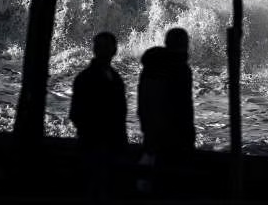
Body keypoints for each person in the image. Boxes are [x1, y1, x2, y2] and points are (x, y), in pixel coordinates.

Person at [69, 31, 128, 199]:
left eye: (106, 47)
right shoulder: (89, 78)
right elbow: (76, 114)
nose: (103, 50)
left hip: (107, 145)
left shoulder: (114, 78)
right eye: (100, 47)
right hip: (93, 145)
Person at [136, 27, 195, 193]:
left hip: (152, 133)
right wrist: (187, 138)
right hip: (173, 137)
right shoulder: (180, 69)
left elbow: (144, 102)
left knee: (154, 183)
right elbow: (182, 108)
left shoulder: (150, 68)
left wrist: (148, 130)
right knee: (169, 185)